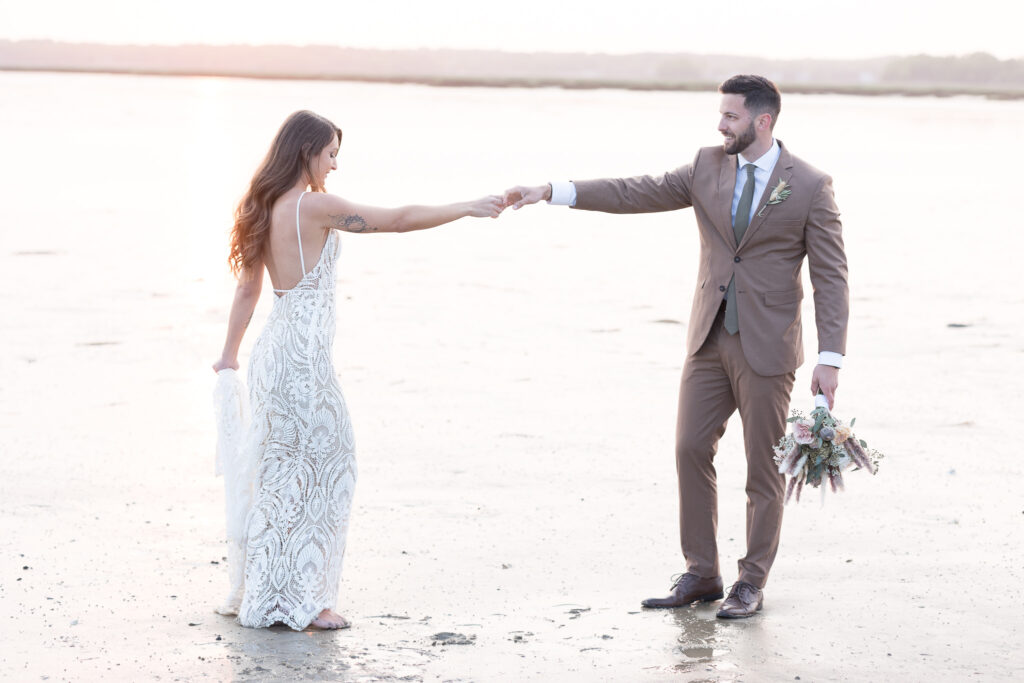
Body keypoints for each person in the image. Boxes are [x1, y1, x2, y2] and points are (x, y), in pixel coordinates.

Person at [503, 75, 849, 619]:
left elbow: (832, 276)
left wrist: (832, 356)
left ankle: (750, 582)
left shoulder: (808, 184)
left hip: (768, 348)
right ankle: (703, 573)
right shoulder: (706, 166)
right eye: (720, 115)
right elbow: (633, 191)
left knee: (763, 468)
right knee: (690, 448)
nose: (720, 124)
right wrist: (554, 191)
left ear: (762, 121)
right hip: (708, 339)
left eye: (730, 116)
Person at [212, 110, 504, 630]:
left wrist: (230, 353)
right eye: (330, 154)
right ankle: (307, 600)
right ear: (308, 153)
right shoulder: (316, 206)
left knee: (284, 474)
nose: (335, 165)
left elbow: (247, 289)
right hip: (300, 361)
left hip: (272, 355)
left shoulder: (264, 205)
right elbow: (397, 218)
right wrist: (466, 207)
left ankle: (272, 593)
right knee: (329, 470)